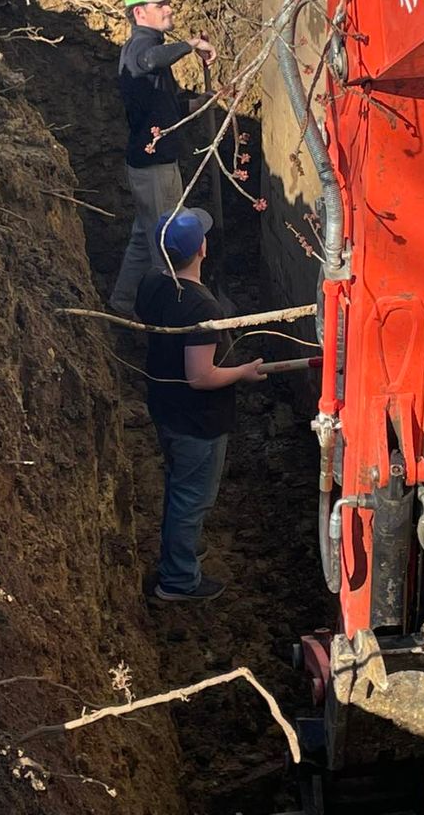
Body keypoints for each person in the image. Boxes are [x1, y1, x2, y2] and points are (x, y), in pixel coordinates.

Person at [135, 206, 264, 601]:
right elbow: (201, 376)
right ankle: (178, 580)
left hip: (166, 408)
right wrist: (242, 372)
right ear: (202, 249)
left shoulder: (153, 283)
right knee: (192, 497)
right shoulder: (202, 310)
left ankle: (182, 548)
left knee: (180, 486)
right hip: (198, 421)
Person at [109, 0, 217, 317]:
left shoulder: (149, 51)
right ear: (140, 13)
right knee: (168, 248)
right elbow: (150, 61)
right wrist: (190, 45)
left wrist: (200, 103)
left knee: (144, 239)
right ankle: (172, 321)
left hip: (151, 163)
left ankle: (123, 304)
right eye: (162, 4)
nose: (170, 9)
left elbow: (164, 105)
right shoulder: (142, 46)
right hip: (153, 167)